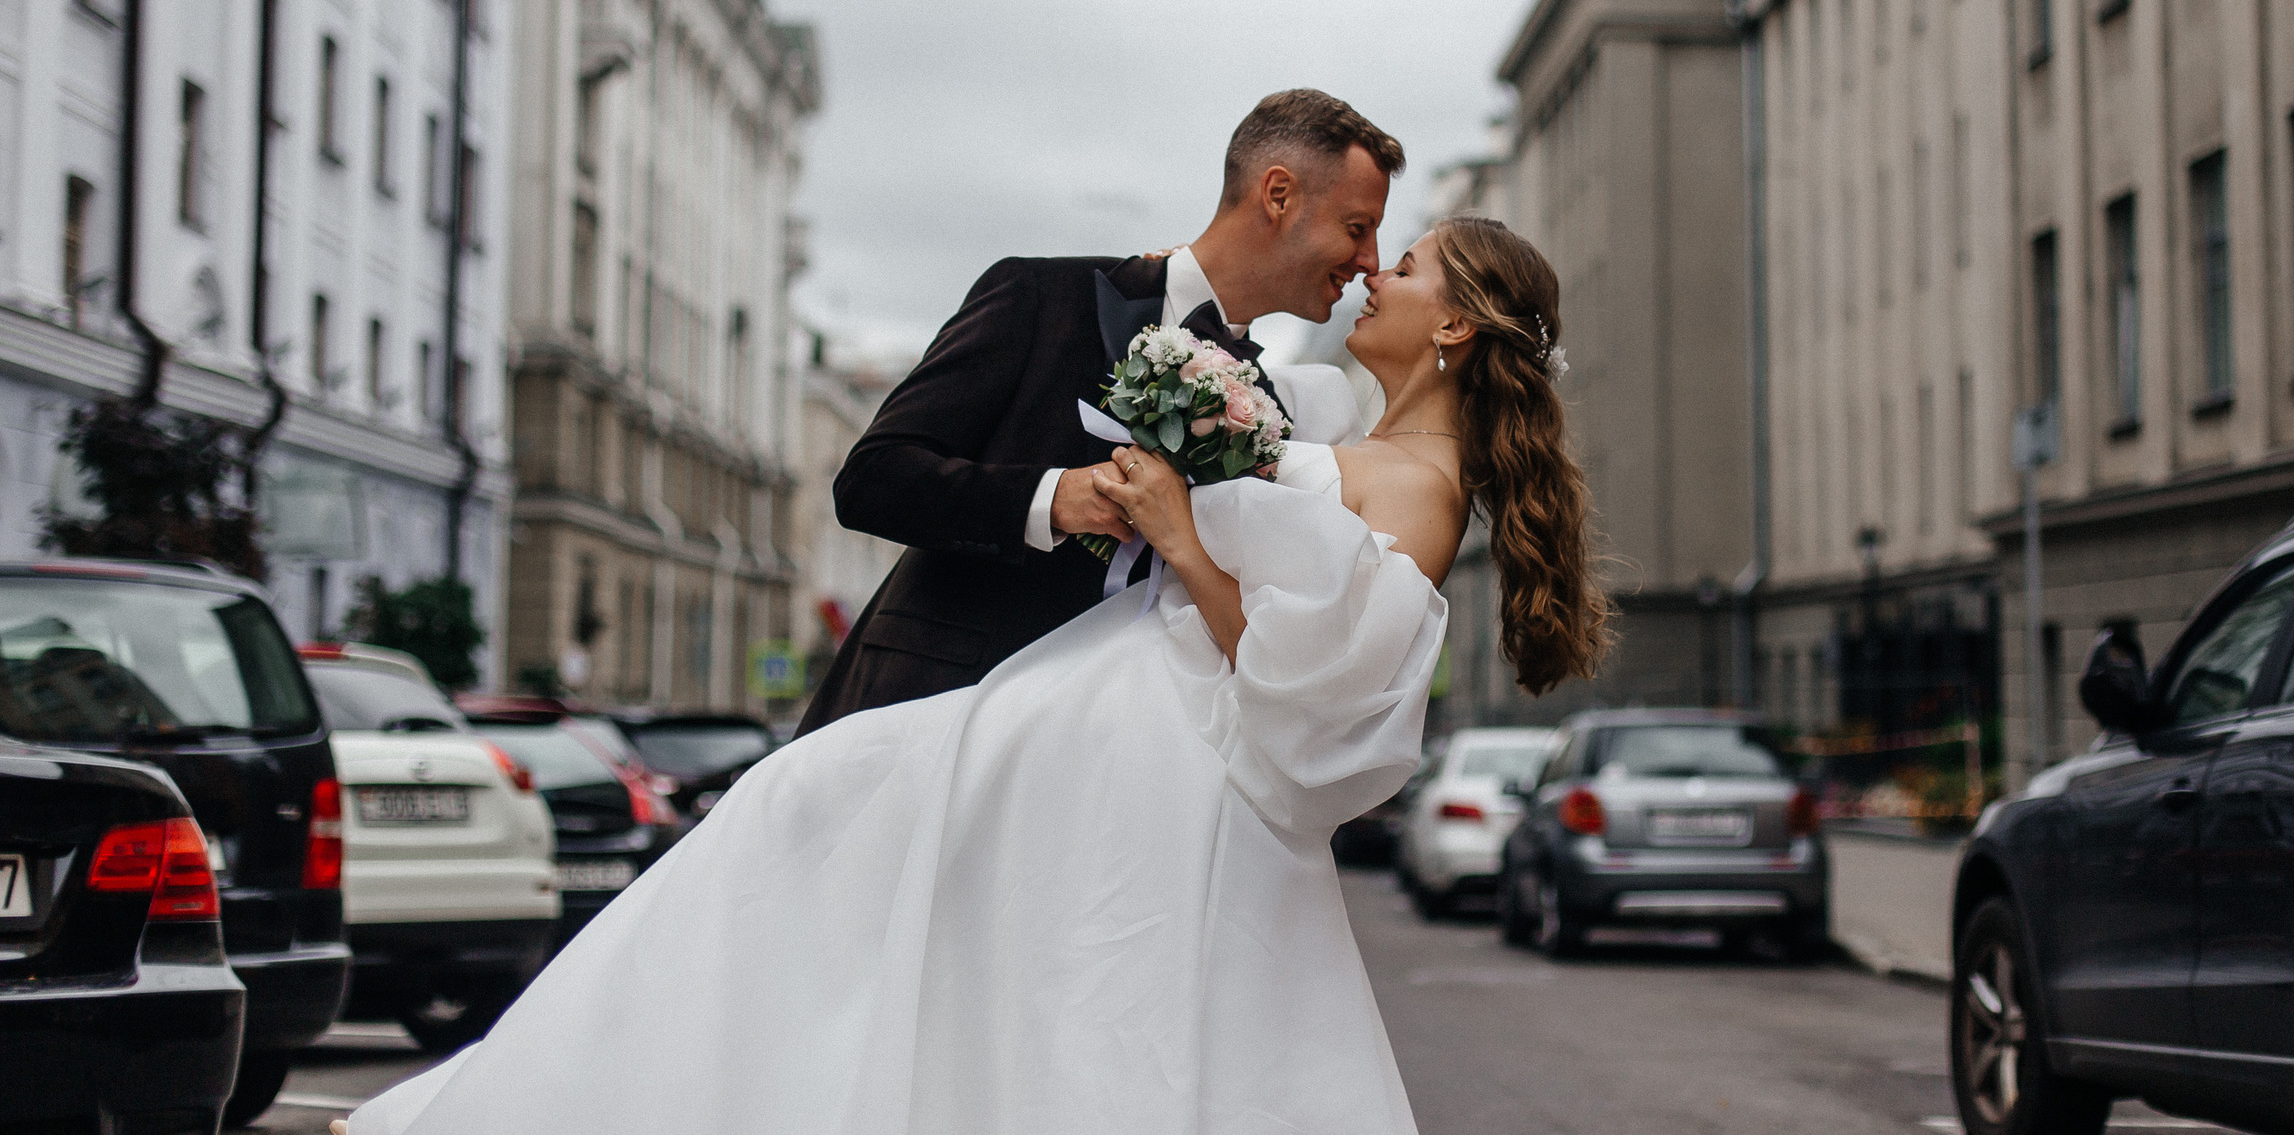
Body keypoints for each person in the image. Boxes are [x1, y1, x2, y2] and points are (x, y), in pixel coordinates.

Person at [341, 215, 1607, 1135]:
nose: (1375, 269)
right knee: (820, 838)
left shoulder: (1422, 488)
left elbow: (1313, 683)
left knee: (1048, 988)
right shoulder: (1336, 423)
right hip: (1092, 705)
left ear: (1450, 325)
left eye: (1411, 262)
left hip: (1159, 751)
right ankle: (518, 1099)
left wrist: (1175, 527)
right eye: (1370, 236)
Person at [799, 87, 1404, 728]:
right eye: (1357, 228)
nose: (1369, 263)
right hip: (930, 716)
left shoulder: (1265, 413)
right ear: (1278, 196)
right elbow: (872, 480)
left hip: (1102, 753)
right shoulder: (1043, 296)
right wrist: (1054, 498)